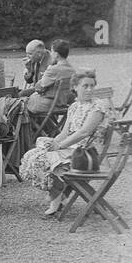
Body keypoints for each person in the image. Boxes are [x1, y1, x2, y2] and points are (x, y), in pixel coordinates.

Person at [20, 71, 107, 216]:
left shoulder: (97, 107)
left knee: (44, 159)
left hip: (87, 153)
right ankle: (58, 189)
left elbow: (84, 133)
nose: (89, 89)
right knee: (35, 153)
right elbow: (64, 133)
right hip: (72, 148)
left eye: (92, 86)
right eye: (85, 86)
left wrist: (59, 146)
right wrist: (53, 143)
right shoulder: (74, 106)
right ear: (75, 87)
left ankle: (57, 193)